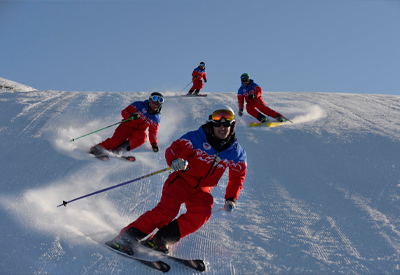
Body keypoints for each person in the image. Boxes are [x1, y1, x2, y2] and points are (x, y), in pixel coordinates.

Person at [106, 105, 247, 255]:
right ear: (212, 124)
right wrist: (175, 160)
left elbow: (238, 177)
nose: (222, 127)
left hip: (202, 189)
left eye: (227, 123)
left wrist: (231, 198)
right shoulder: (196, 138)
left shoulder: (236, 152)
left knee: (202, 212)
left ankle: (160, 239)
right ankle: (127, 237)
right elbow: (174, 149)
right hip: (181, 180)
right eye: (218, 123)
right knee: (167, 211)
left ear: (232, 125)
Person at [89, 92, 163, 159]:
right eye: (154, 100)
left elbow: (153, 132)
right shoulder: (139, 105)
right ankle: (97, 149)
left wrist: (154, 144)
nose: (155, 104)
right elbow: (124, 112)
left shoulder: (156, 118)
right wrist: (131, 115)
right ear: (150, 100)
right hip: (126, 126)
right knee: (115, 142)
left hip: (138, 131)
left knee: (143, 136)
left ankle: (120, 149)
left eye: (158, 102)